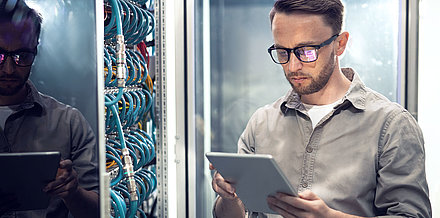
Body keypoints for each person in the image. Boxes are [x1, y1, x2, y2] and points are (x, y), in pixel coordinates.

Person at [210, 0, 432, 217]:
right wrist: (231, 197)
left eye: (306, 51)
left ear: (340, 44)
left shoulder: (391, 125)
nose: (292, 66)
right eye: (282, 52)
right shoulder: (261, 122)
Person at [0, 1, 99, 217]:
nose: (8, 68)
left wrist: (73, 193)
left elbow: (98, 211)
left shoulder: (69, 123)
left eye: (22, 57)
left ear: (36, 51)